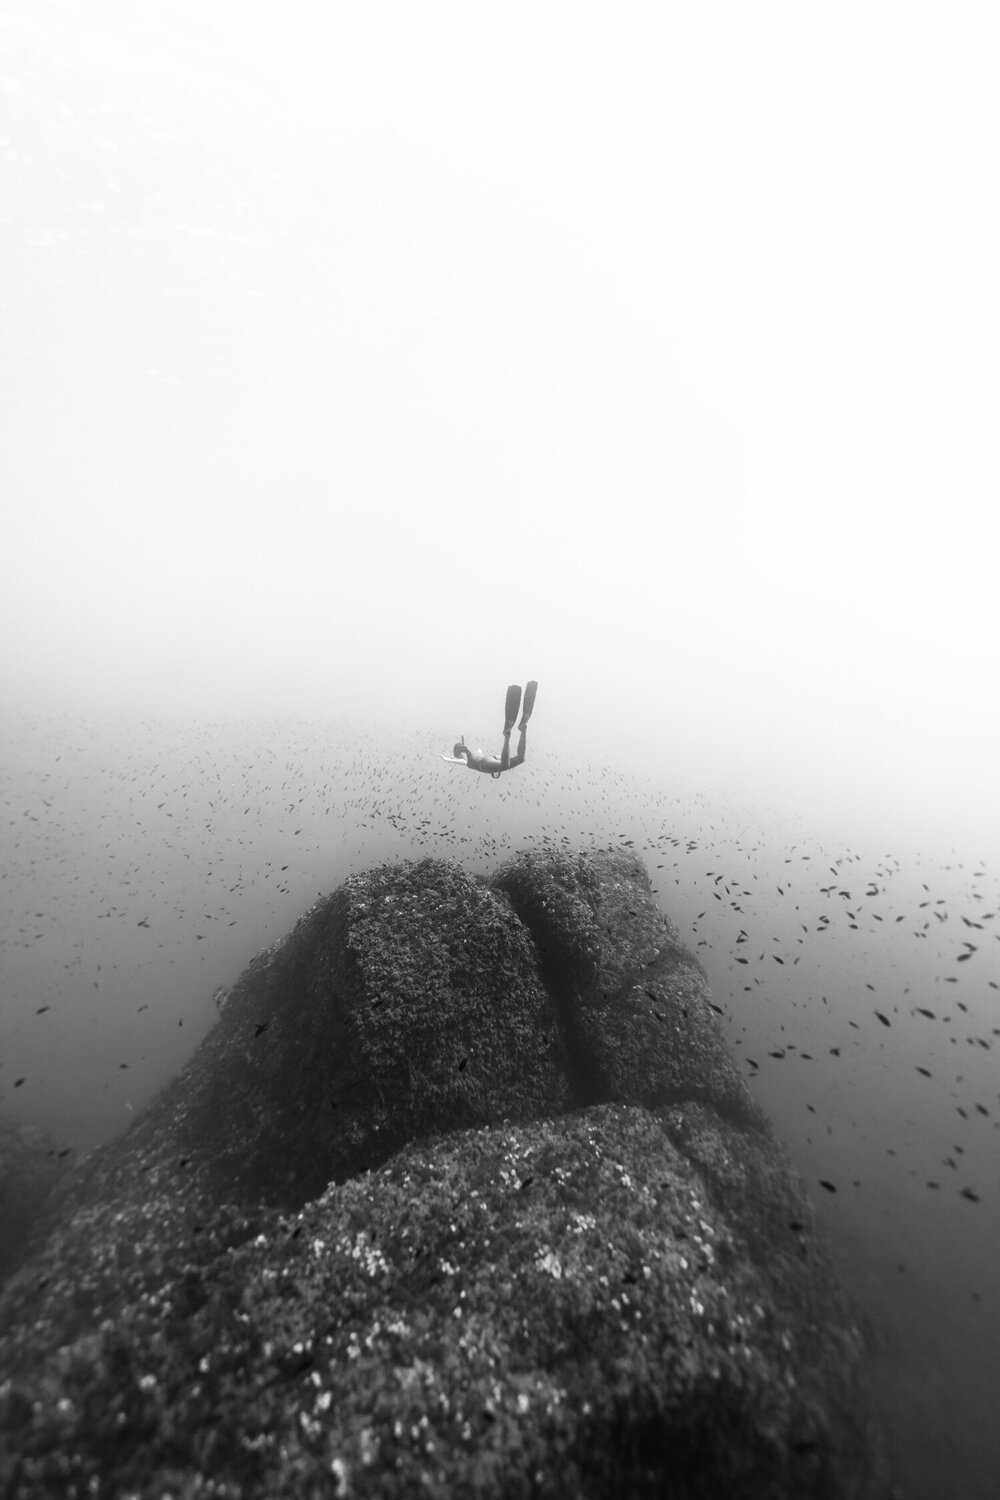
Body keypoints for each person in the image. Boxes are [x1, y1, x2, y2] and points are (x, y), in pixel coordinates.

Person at [442, 682, 538, 778]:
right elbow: (479, 750)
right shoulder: (474, 752)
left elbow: (464, 761)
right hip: (489, 758)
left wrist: (448, 760)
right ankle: (523, 728)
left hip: (484, 765)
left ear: (458, 753)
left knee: (505, 765)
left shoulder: (463, 755)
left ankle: (507, 735)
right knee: (520, 758)